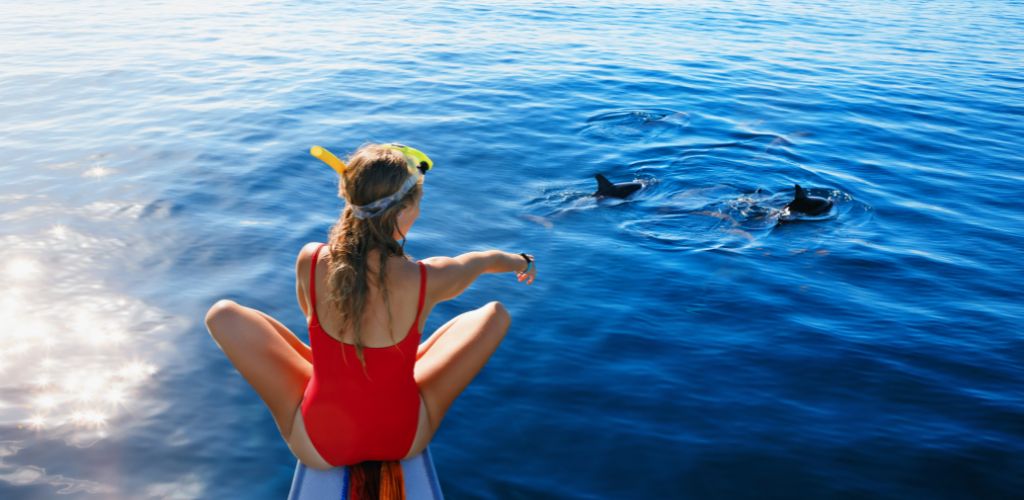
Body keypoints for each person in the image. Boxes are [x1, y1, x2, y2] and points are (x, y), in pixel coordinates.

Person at [204, 143, 536, 485]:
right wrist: (522, 261)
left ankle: (353, 371)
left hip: (318, 446)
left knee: (222, 314)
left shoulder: (311, 258)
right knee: (494, 313)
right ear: (404, 211)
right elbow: (483, 261)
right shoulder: (429, 278)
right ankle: (399, 361)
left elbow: (309, 316)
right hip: (403, 439)